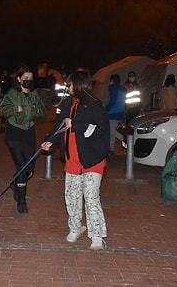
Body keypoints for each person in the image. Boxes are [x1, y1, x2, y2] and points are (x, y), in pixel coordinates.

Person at [40, 69, 109, 250]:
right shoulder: (67, 103)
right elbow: (60, 127)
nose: (67, 86)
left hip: (92, 160)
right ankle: (75, 228)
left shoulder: (95, 106)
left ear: (77, 84)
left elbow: (101, 131)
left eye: (69, 83)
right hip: (72, 161)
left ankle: (96, 235)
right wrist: (50, 141)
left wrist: (76, 125)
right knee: (72, 197)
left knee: (91, 197)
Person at [0, 66, 47, 213]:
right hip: (14, 133)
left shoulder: (34, 94)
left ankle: (16, 182)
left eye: (30, 79)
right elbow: (3, 110)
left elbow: (43, 111)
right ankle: (21, 200)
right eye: (25, 78)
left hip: (29, 133)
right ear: (19, 79)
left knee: (29, 169)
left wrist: (33, 111)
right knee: (21, 166)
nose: (28, 81)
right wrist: (15, 109)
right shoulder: (12, 94)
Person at [105, 74, 126, 154]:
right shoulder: (122, 89)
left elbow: (112, 101)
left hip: (112, 113)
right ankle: (111, 147)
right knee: (112, 130)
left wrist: (106, 109)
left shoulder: (114, 89)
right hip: (120, 112)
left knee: (111, 131)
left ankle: (125, 140)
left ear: (112, 81)